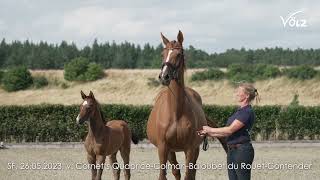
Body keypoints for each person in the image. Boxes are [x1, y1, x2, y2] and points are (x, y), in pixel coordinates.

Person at [198, 83, 260, 180]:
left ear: (247, 96)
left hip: (242, 152)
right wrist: (208, 133)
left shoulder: (246, 112)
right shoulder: (239, 111)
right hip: (232, 151)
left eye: (239, 92)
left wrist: (210, 129)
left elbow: (230, 130)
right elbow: (225, 132)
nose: (237, 94)